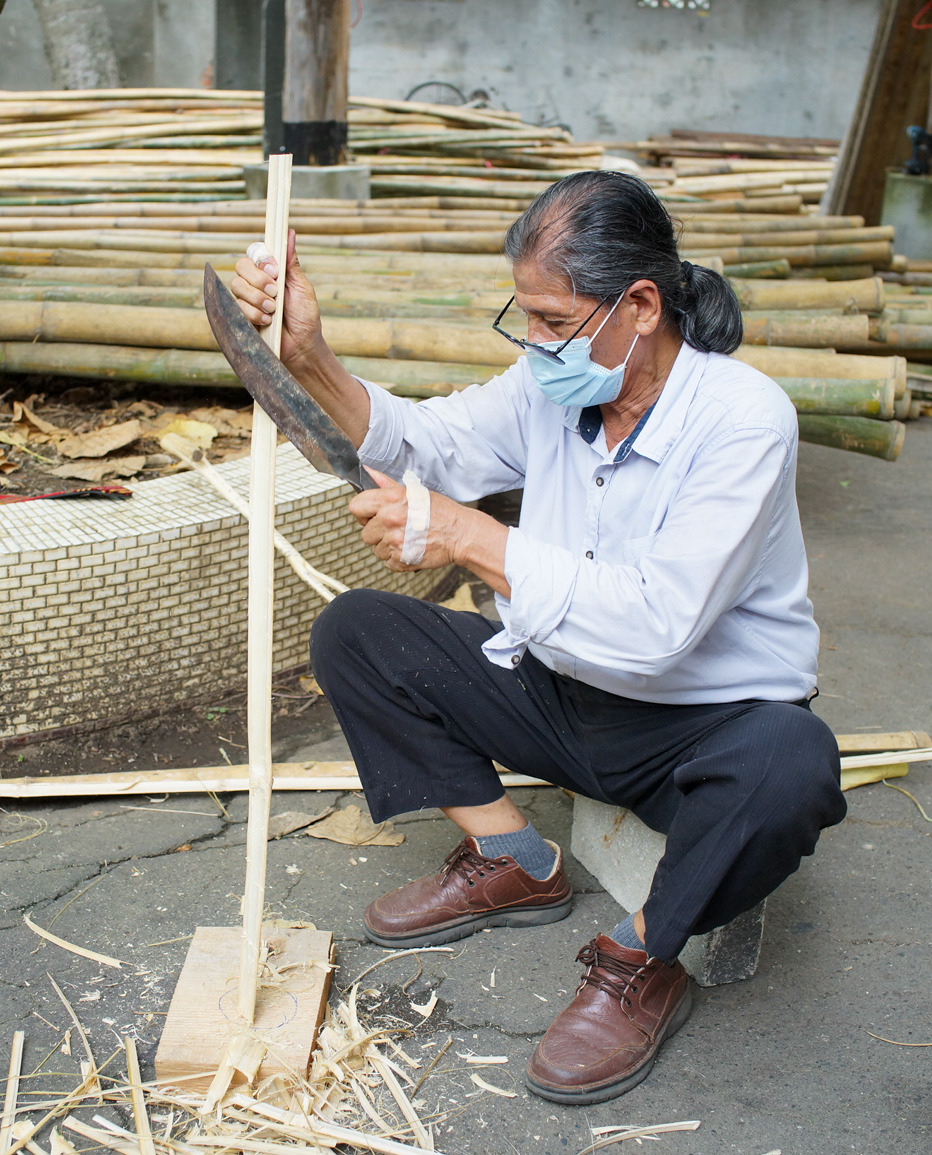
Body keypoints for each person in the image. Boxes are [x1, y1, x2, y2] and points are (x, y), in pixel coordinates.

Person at [228, 170, 846, 1105]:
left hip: (698, 725)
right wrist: (309, 356)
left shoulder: (742, 420)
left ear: (639, 305)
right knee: (359, 631)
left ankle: (639, 957)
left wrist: (470, 535)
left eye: (554, 320)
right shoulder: (549, 383)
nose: (538, 343)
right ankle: (514, 859)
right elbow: (424, 443)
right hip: (560, 695)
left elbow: (656, 626)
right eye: (527, 319)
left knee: (790, 765)